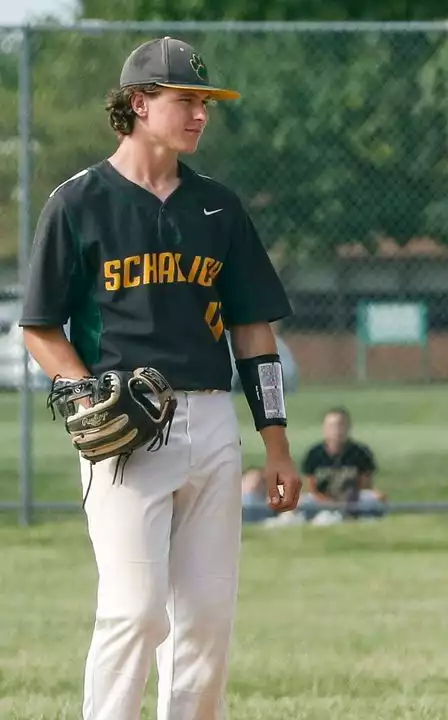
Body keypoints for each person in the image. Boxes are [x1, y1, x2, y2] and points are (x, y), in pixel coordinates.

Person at [19, 36, 301, 720]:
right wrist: (84, 393)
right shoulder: (79, 202)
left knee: (205, 623)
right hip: (126, 431)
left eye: (205, 103)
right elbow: (39, 327)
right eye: (185, 101)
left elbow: (254, 330)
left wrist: (276, 441)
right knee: (136, 611)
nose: (200, 114)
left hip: (211, 424)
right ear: (138, 104)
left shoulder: (219, 207)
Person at [299, 407, 385, 520]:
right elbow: (311, 488)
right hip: (322, 502)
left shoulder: (360, 452)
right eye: (331, 426)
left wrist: (347, 501)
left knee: (374, 498)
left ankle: (363, 518)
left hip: (353, 501)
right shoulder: (314, 454)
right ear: (324, 428)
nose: (337, 430)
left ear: (349, 427)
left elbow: (365, 486)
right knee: (302, 501)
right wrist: (329, 502)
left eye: (341, 425)